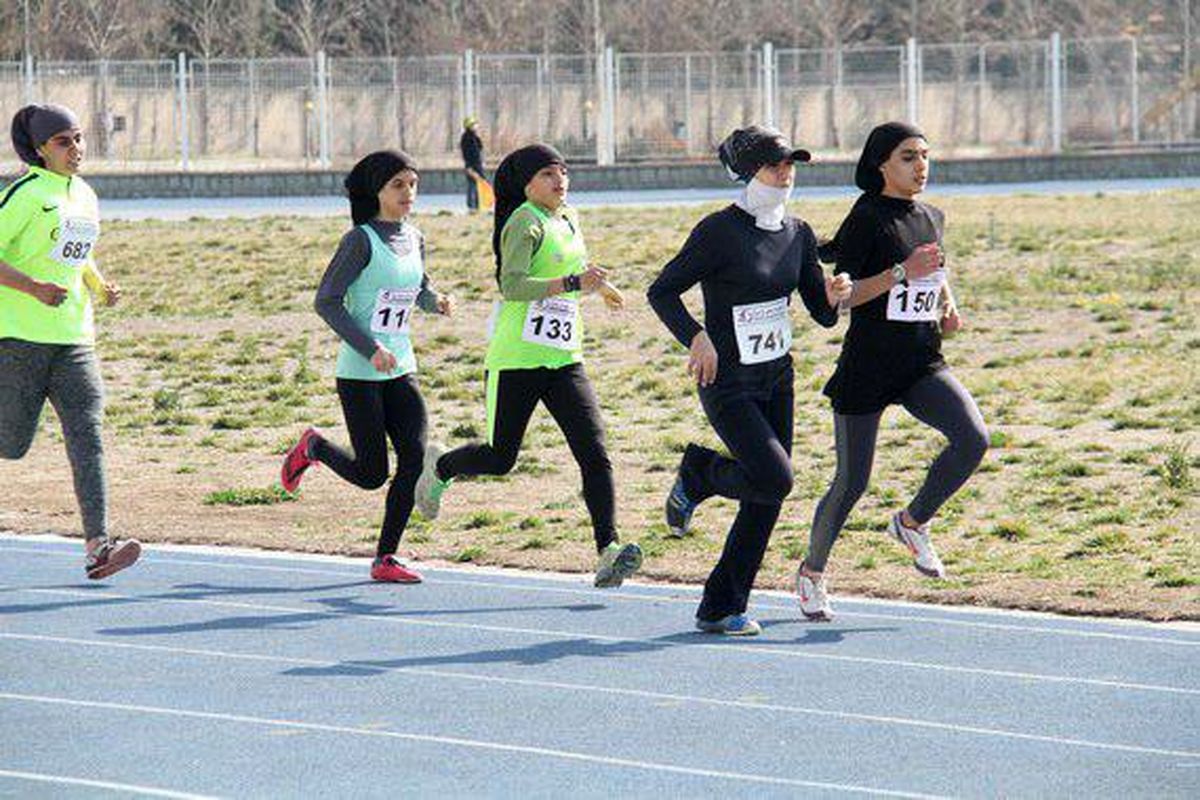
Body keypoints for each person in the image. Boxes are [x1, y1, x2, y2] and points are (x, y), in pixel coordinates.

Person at [647, 126, 852, 636]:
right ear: (746, 172)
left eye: (791, 166)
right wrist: (696, 336)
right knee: (776, 479)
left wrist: (834, 295)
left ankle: (720, 606)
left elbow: (821, 315)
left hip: (776, 379)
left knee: (767, 494)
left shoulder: (798, 233)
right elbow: (663, 291)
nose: (785, 175)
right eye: (774, 166)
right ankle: (699, 473)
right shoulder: (719, 231)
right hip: (727, 380)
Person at [414, 143, 641, 589]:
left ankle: (608, 550)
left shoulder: (568, 217)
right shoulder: (524, 221)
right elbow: (513, 285)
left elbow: (570, 268)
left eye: (562, 173)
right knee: (501, 459)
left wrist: (599, 287)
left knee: (595, 453)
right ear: (526, 185)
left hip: (564, 359)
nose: (560, 181)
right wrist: (574, 283)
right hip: (516, 360)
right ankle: (440, 467)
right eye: (547, 176)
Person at [796, 121, 989, 621]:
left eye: (925, 155)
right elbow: (845, 298)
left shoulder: (933, 216)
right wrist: (902, 273)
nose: (921, 166)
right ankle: (811, 573)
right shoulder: (867, 219)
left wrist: (947, 305)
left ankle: (912, 521)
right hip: (869, 366)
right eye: (908, 157)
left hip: (921, 361)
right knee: (851, 482)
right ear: (881, 163)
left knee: (972, 438)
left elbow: (935, 270)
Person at [280, 149, 454, 584]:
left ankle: (386, 557)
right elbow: (327, 301)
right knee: (373, 474)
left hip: (402, 368)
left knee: (413, 458)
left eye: (413, 184)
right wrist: (369, 347)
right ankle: (314, 447)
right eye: (398, 185)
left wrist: (436, 302)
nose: (408, 193)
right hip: (360, 373)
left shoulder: (415, 237)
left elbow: (417, 287)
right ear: (376, 191)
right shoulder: (359, 241)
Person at [0, 103, 140, 579]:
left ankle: (99, 545)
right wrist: (33, 289)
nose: (76, 149)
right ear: (39, 149)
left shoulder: (84, 195)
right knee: (12, 444)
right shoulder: (24, 194)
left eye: (79, 138)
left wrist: (100, 287)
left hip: (75, 339)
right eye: (63, 141)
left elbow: (77, 256)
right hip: (20, 340)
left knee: (87, 434)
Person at [459, 118, 486, 213]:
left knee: (479, 185)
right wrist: (469, 167)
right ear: (469, 126)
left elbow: (480, 150)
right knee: (472, 186)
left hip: (478, 165)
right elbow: (466, 154)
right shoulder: (466, 138)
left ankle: (479, 206)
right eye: (474, 124)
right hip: (471, 165)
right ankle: (472, 207)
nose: (476, 126)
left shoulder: (475, 137)